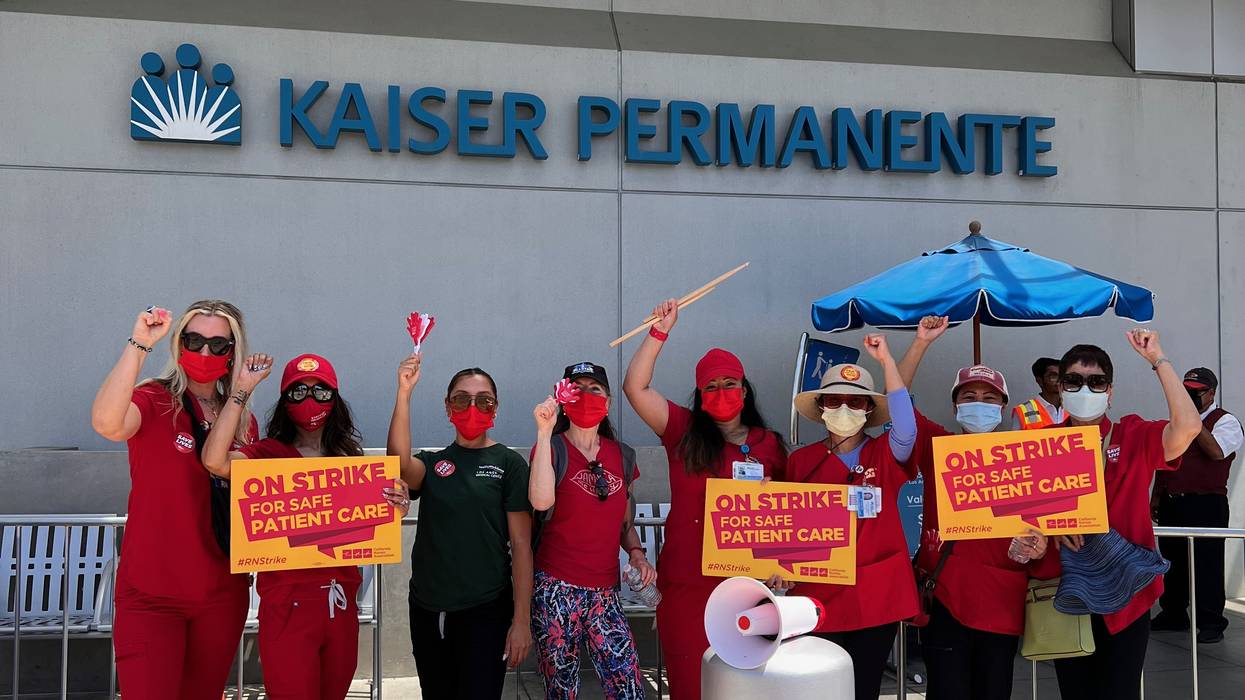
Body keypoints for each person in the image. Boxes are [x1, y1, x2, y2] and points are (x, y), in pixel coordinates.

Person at [201, 353, 411, 699]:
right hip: (288, 606)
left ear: (335, 399)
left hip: (340, 604)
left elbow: (370, 523)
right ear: (285, 401)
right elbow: (214, 460)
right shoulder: (266, 456)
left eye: (321, 392)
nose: (310, 400)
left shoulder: (348, 460)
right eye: (298, 392)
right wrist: (241, 390)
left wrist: (393, 507)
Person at [622, 299, 787, 700]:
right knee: (691, 685)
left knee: (745, 688)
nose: (721, 392)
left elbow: (790, 517)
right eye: (710, 386)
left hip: (748, 587)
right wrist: (660, 331)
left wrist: (783, 564)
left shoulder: (771, 445)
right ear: (699, 394)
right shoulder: (683, 430)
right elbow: (635, 387)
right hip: (687, 587)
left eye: (729, 383)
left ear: (745, 389)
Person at [90, 300, 255, 700]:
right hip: (152, 597)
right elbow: (107, 423)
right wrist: (139, 344)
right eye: (194, 340)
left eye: (219, 345)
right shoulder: (153, 400)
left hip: (220, 595)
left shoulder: (242, 419)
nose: (204, 353)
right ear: (179, 343)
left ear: (234, 351)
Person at [897, 315, 1053, 700]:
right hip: (947, 597)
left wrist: (1040, 544)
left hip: (1001, 603)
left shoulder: (1026, 459)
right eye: (969, 397)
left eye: (989, 398)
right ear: (954, 405)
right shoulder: (936, 445)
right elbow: (896, 402)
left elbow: (1047, 525)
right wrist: (920, 343)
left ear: (1003, 407)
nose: (979, 404)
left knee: (994, 691)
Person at [1045, 332, 1201, 700]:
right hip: (1068, 593)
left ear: (1110, 391)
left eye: (1096, 381)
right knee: (1075, 693)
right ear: (1061, 388)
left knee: (1120, 691)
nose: (1085, 388)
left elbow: (1189, 427)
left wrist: (1158, 359)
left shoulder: (1131, 433)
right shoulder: (1042, 444)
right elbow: (1019, 514)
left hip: (1127, 593)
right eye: (1074, 380)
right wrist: (1048, 529)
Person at [770, 334, 918, 700]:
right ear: (821, 406)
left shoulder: (886, 452)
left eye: (855, 401)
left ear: (869, 409)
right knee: (819, 690)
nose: (844, 409)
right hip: (817, 597)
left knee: (863, 688)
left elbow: (907, 427)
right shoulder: (800, 461)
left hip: (873, 597)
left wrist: (886, 361)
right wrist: (779, 568)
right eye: (835, 400)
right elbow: (788, 529)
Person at [387, 357, 533, 699]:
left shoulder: (508, 464)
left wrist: (521, 621)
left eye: (484, 400)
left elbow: (522, 546)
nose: (472, 406)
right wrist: (404, 393)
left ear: (495, 408)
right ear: (447, 407)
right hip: (426, 608)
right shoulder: (433, 463)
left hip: (485, 611)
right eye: (461, 398)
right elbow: (397, 462)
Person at [528, 362, 656, 699]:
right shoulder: (552, 448)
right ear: (564, 398)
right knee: (562, 689)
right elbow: (541, 502)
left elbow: (624, 524)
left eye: (595, 389)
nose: (587, 396)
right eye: (578, 388)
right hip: (556, 589)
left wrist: (639, 555)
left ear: (609, 401)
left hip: (606, 594)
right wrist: (543, 432)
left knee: (628, 685)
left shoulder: (622, 456)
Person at [1151, 367, 1242, 643]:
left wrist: (1192, 421)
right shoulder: (1177, 420)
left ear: (1211, 392)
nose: (1189, 396)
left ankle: (1211, 621)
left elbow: (1216, 452)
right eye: (1186, 391)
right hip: (1172, 500)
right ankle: (1174, 613)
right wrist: (1156, 496)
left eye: (1195, 392)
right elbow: (1163, 460)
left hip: (1206, 503)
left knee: (1206, 564)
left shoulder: (1225, 421)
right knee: (1172, 561)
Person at [1011, 357, 1065, 430]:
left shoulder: (1073, 408)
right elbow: (1016, 440)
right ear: (1039, 381)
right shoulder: (1023, 411)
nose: (1059, 381)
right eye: (1053, 376)